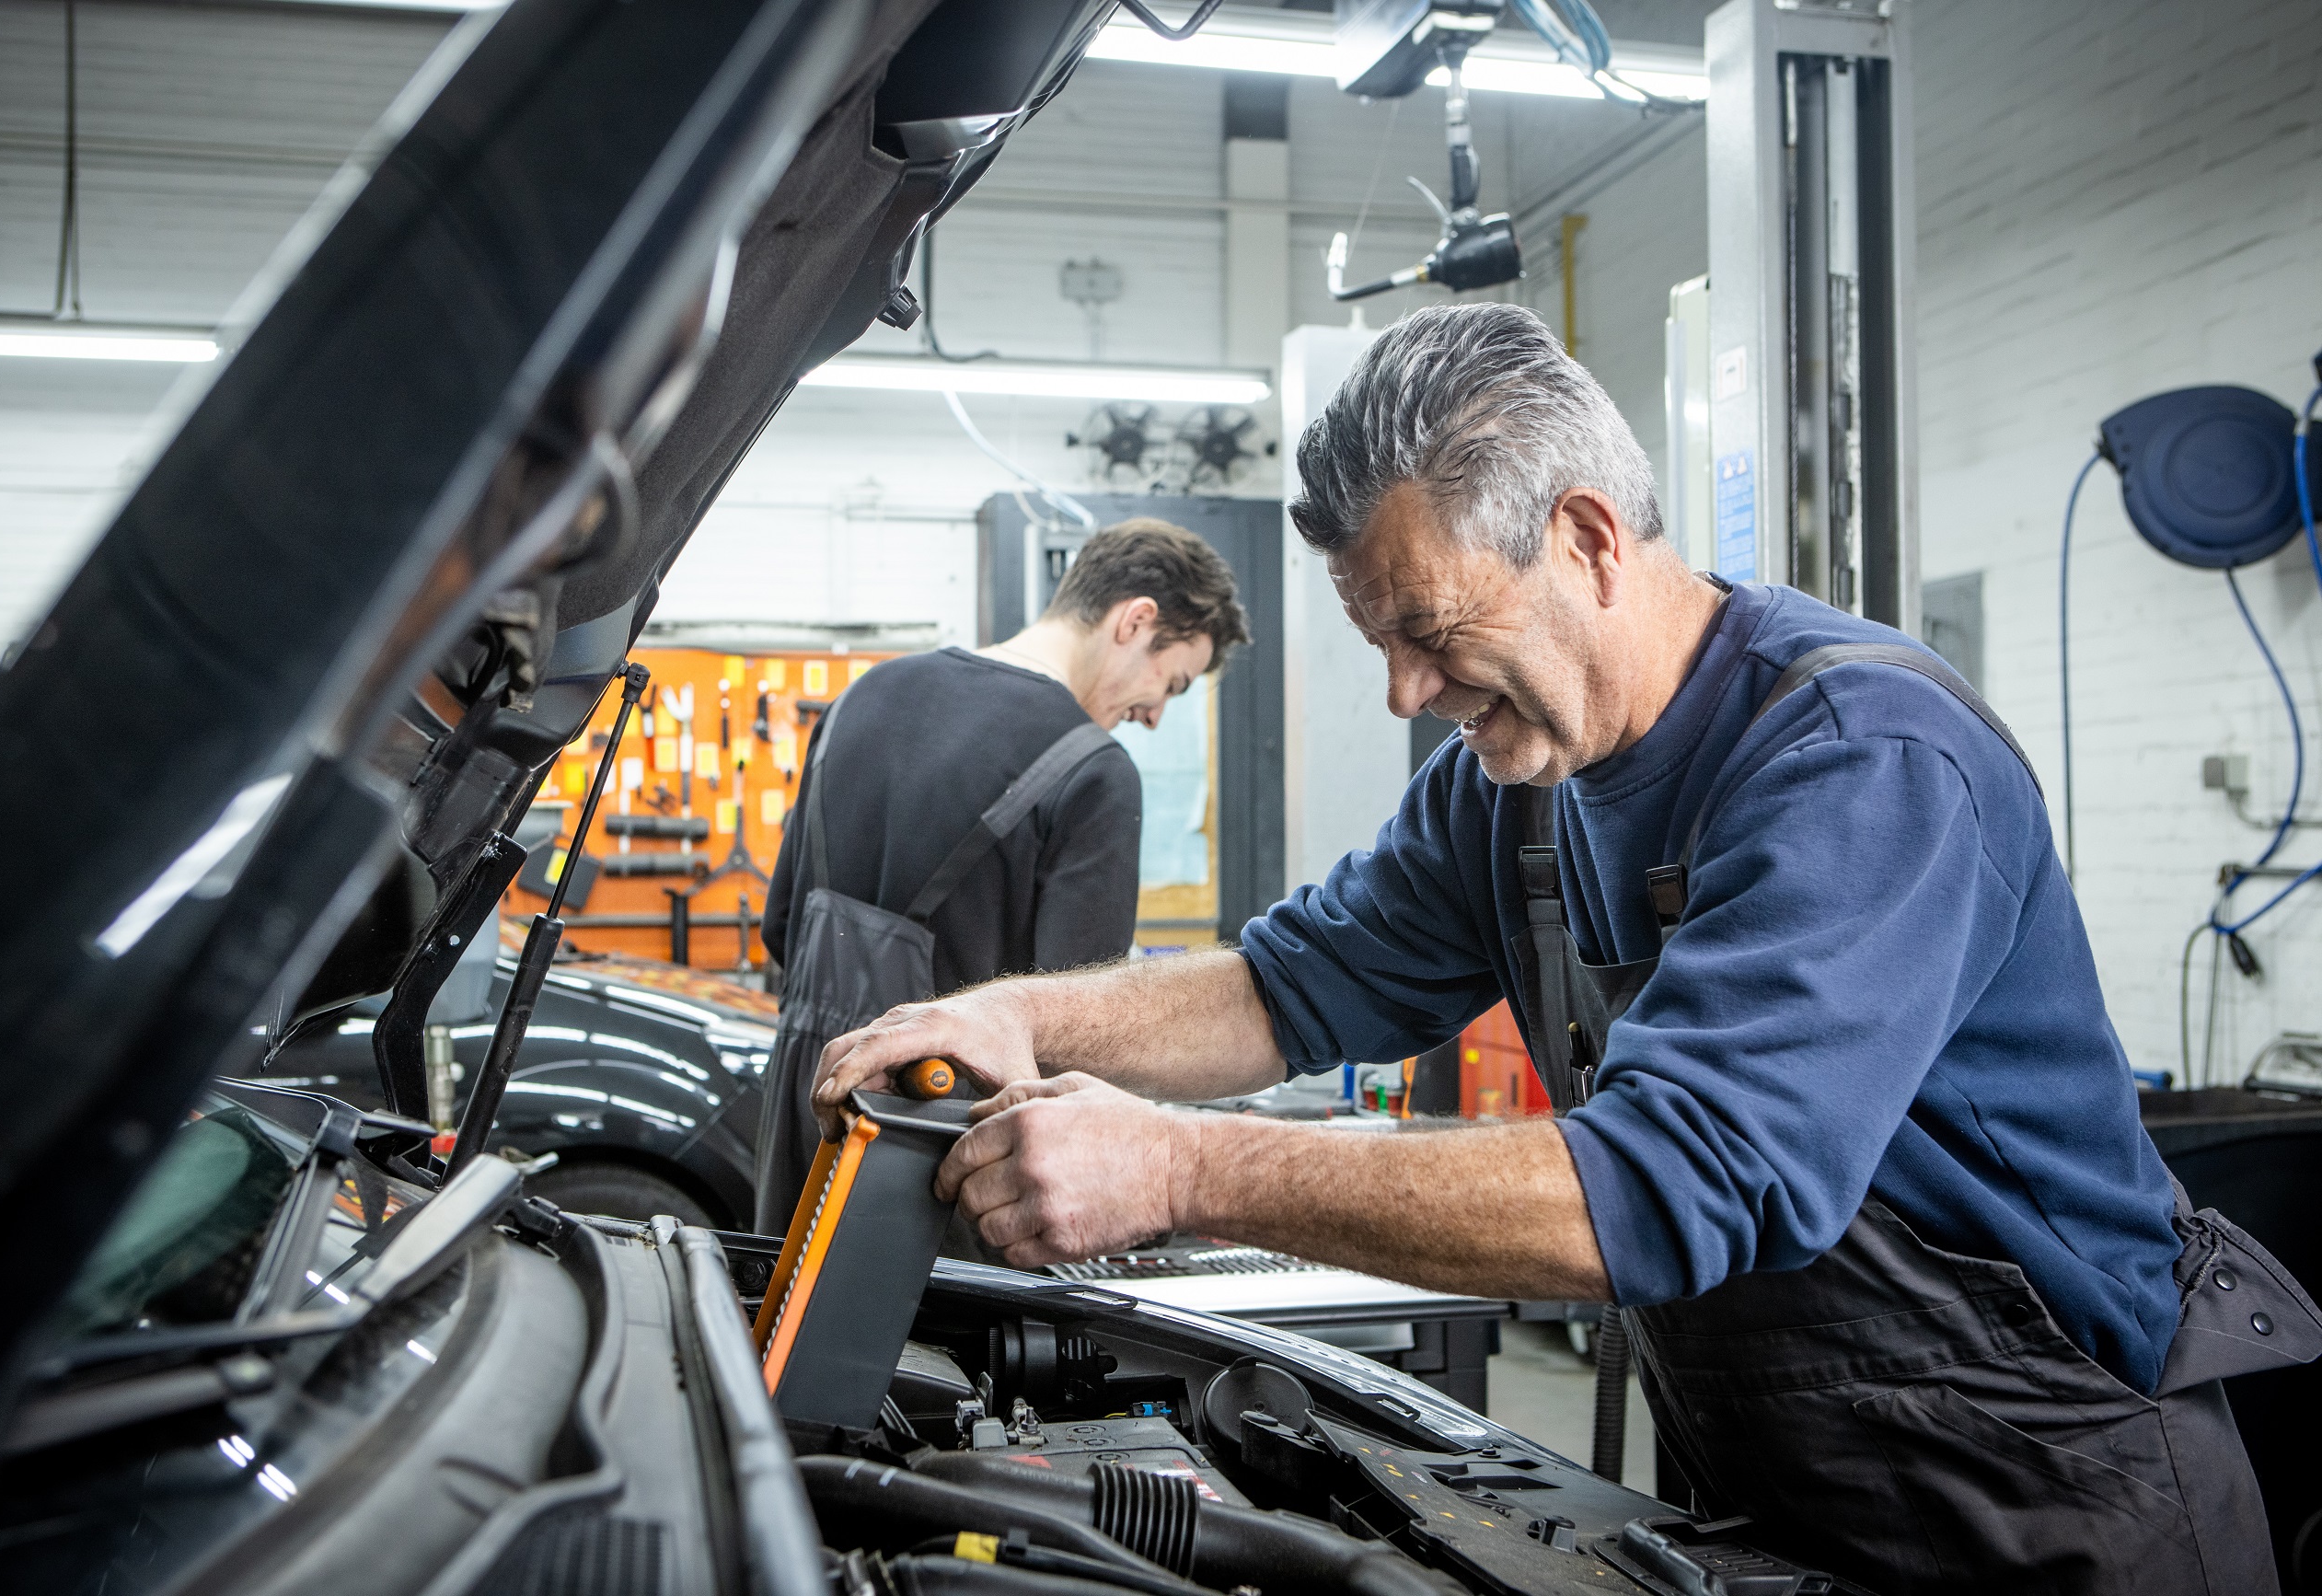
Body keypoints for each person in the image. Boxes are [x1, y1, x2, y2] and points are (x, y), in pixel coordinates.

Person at [814, 305, 2318, 1593]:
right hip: (1775, 1496)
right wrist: (1018, 1014)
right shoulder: (1510, 784)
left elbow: (1676, 1181)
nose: (1405, 690)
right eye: (1376, 643)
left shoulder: (1863, 754)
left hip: (2048, 1505)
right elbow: (1287, 983)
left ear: (1589, 535)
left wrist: (1174, 1165)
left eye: (1428, 626)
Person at [755, 516, 1249, 1237]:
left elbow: (780, 928)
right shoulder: (1093, 772)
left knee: (787, 1335)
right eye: (1169, 681)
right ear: (1135, 620)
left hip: (804, 1116)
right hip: (947, 1163)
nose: (1153, 715)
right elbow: (1086, 1033)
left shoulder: (864, 697)